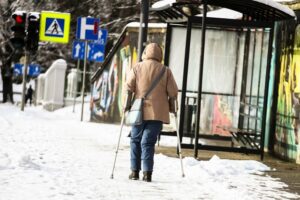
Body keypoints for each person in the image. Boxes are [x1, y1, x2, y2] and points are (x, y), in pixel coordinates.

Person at [125, 43, 178, 182]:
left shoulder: (137, 67)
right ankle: (147, 173)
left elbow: (129, 87)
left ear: (145, 53)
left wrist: (127, 105)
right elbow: (173, 92)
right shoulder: (166, 71)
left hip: (138, 110)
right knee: (148, 142)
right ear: (160, 55)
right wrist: (173, 108)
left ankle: (134, 171)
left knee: (135, 139)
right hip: (158, 113)